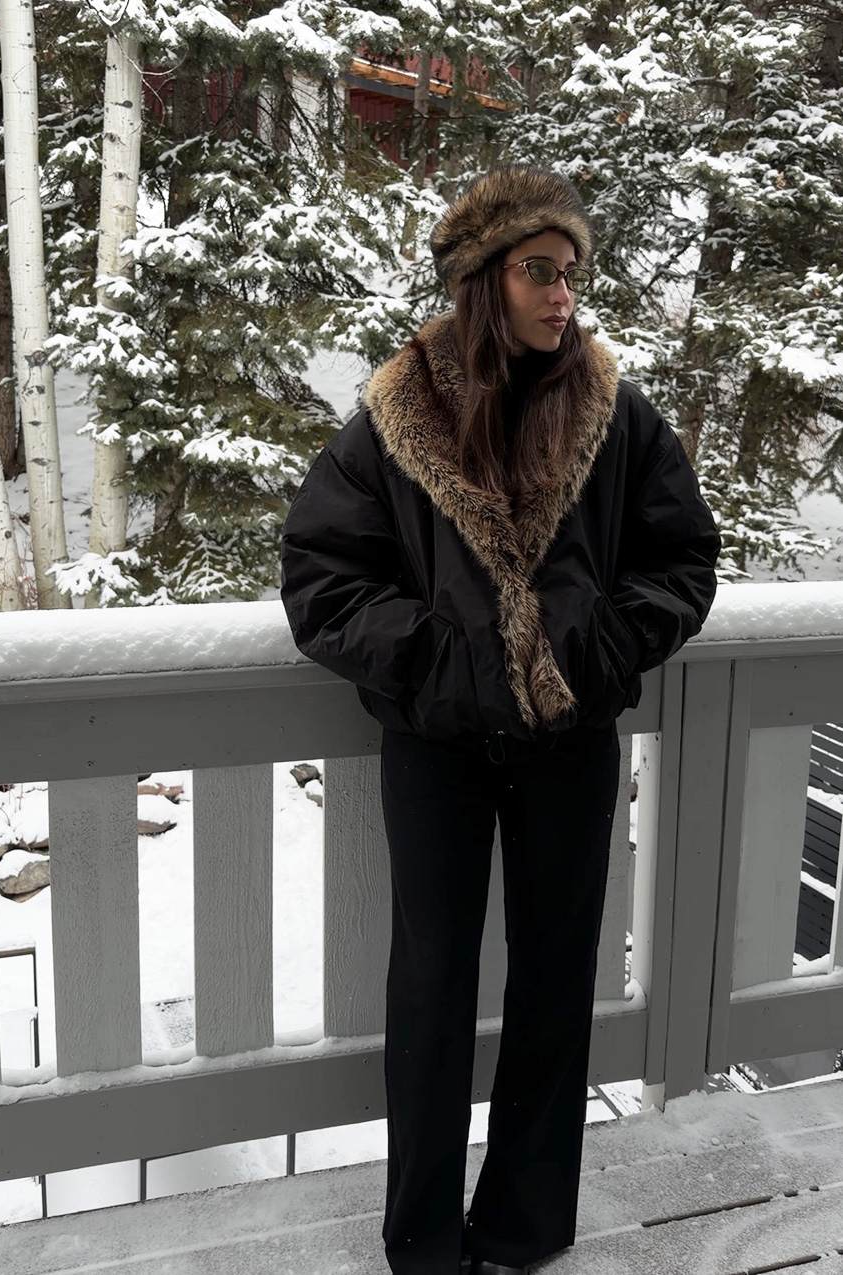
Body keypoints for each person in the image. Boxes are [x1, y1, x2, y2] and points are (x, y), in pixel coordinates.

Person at [280, 164, 721, 1275]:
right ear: (482, 278)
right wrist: (439, 661)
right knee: (429, 984)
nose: (562, 294)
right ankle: (424, 1237)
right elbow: (322, 578)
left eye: (571, 273)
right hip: (436, 743)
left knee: (556, 977)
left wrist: (598, 652)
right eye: (540, 270)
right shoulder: (395, 415)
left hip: (569, 744)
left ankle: (528, 1224)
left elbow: (681, 556)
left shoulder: (614, 412)